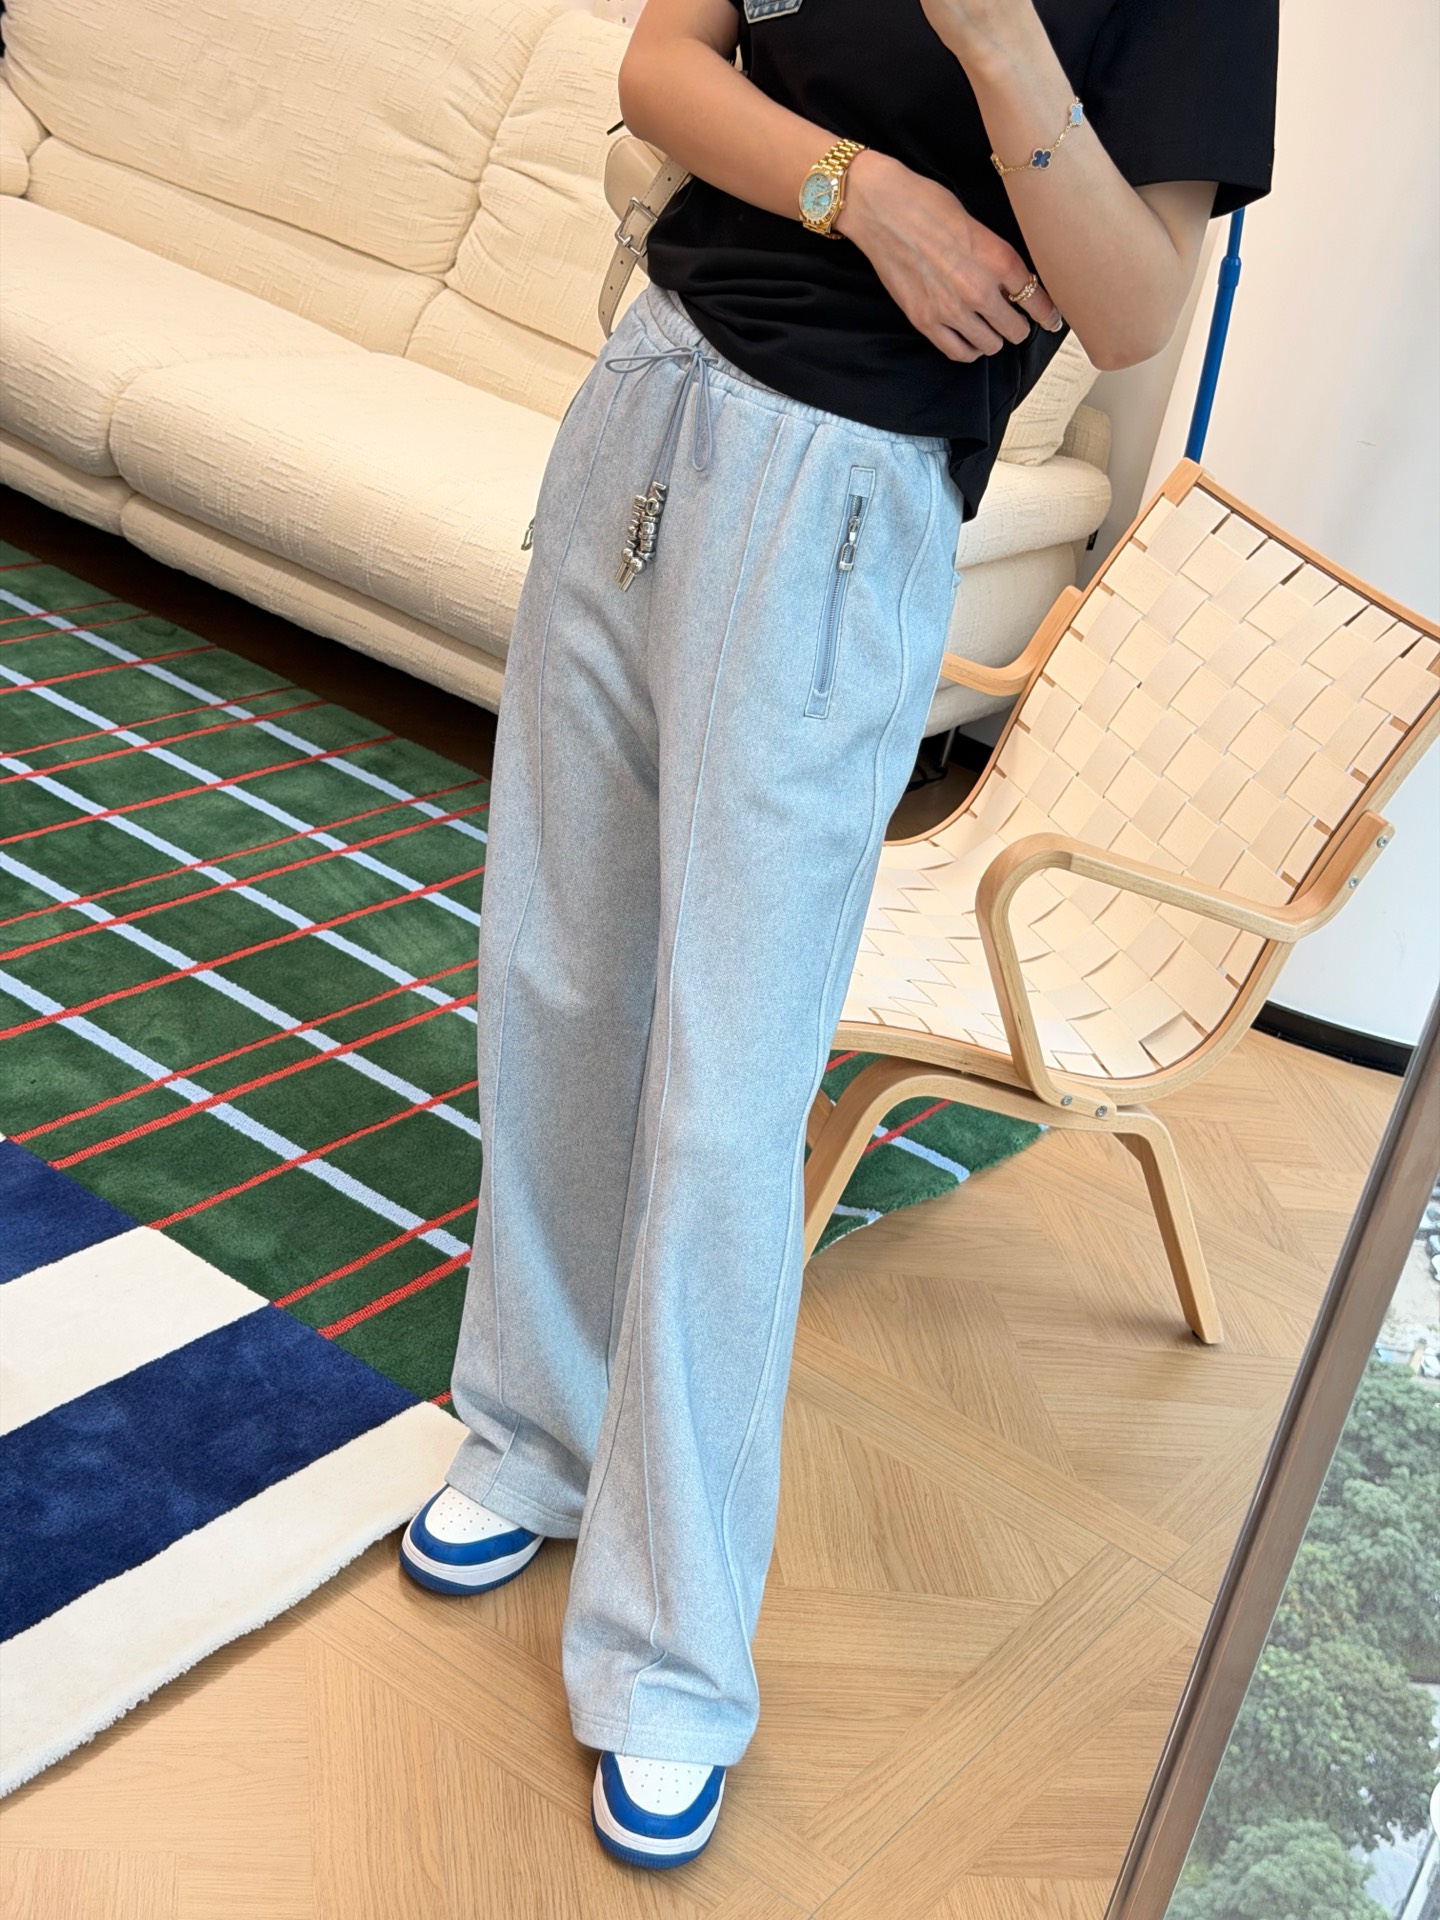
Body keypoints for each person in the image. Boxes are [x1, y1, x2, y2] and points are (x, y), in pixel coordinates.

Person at [400, 0, 1277, 1870]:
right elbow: (660, 66)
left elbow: (1132, 310)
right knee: (557, 977)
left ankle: (669, 1654)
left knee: (730, 1092)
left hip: (855, 491)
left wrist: (1000, 47)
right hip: (650, 393)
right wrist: (858, 191)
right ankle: (537, 1438)